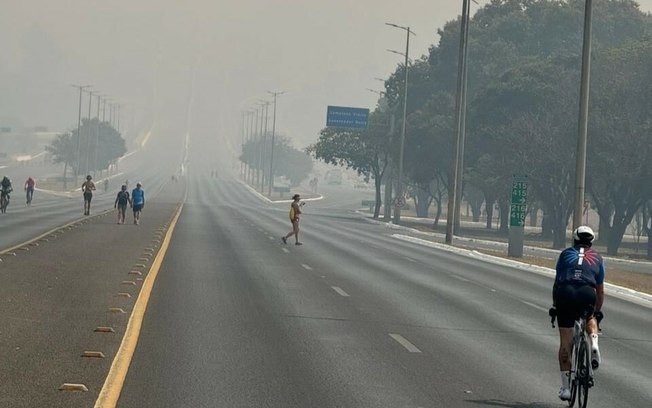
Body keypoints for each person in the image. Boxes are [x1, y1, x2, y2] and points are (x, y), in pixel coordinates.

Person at [550, 225, 605, 401]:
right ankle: (594, 343)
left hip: (565, 292)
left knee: (566, 341)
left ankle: (566, 389)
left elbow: (557, 283)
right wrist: (597, 311)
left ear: (574, 239)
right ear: (591, 241)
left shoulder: (565, 254)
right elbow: (600, 291)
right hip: (586, 293)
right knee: (590, 317)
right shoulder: (597, 257)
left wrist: (554, 304)